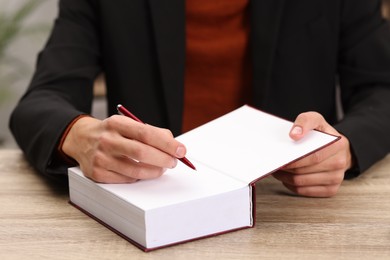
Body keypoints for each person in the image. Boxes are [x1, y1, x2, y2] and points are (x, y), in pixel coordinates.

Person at [9, 0, 390, 198]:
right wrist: (80, 136)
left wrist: (346, 146)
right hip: (158, 206)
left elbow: (381, 90)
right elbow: (42, 99)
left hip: (288, 207)